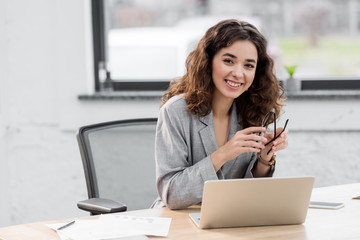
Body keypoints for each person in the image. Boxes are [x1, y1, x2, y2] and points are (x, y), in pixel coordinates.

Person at [153, 19, 288, 210]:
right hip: (180, 221)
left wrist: (264, 159)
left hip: (229, 218)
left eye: (248, 66)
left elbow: (248, 192)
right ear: (208, 61)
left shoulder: (252, 111)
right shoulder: (175, 112)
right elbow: (172, 194)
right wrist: (223, 154)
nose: (238, 73)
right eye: (228, 61)